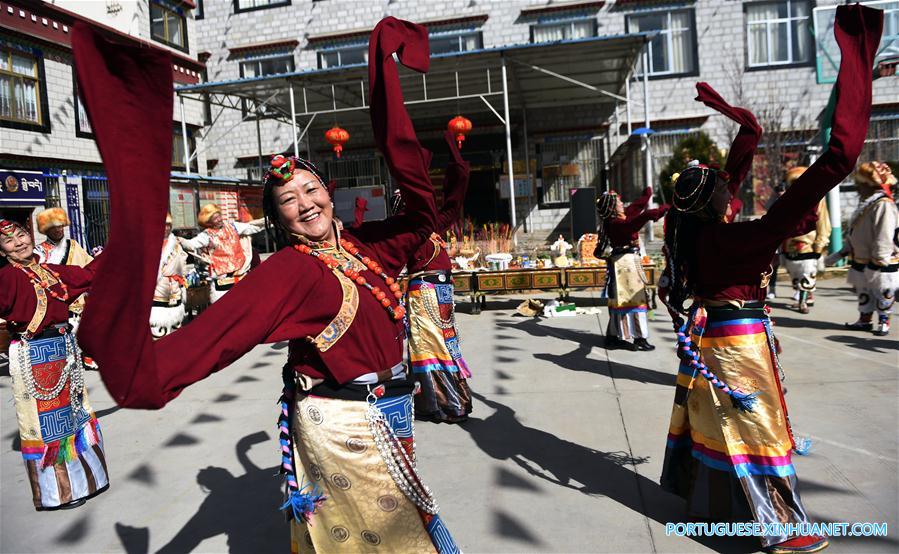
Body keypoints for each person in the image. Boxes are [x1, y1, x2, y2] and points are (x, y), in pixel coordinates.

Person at [72, 16, 459, 553]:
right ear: (278, 220)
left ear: (329, 193)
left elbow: (422, 217)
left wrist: (384, 75)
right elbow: (213, 338)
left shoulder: (366, 246)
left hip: (393, 413)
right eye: (289, 200)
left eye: (310, 189)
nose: (306, 204)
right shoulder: (288, 272)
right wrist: (145, 366)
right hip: (344, 427)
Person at [658, 6, 879, 553]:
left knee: (719, 425)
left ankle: (712, 509)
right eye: (724, 188)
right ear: (715, 202)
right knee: (758, 431)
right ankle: (781, 526)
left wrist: (728, 111)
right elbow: (838, 159)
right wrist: (856, 64)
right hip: (738, 347)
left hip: (714, 339)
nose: (731, 189)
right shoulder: (740, 240)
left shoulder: (696, 233)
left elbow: (746, 143)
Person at [0, 218, 109, 511]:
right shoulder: (7, 278)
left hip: (63, 349)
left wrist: (121, 245)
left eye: (21, 235)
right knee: (49, 425)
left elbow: (89, 275)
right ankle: (59, 493)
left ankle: (88, 480)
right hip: (34, 353)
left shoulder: (50, 270)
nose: (19, 243)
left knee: (76, 414)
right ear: (2, 250)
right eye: (9, 241)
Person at [401, 148, 473, 423]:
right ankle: (440, 403)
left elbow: (453, 205)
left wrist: (457, 164)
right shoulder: (406, 232)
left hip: (441, 291)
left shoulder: (433, 226)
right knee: (431, 347)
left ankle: (450, 401)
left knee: (447, 345)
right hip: (423, 294)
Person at [595, 187, 669, 351]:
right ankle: (637, 338)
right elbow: (638, 219)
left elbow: (636, 207)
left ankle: (615, 337)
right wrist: (662, 209)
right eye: (619, 202)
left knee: (625, 302)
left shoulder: (618, 218)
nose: (622, 203)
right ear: (613, 207)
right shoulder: (616, 224)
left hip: (626, 264)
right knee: (632, 301)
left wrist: (647, 195)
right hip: (624, 266)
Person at [830, 161, 898, 336]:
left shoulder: (883, 204)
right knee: (864, 291)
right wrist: (843, 252)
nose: (857, 188)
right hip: (862, 257)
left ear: (869, 185)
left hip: (880, 260)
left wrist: (879, 260)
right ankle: (865, 320)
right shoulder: (868, 203)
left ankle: (884, 321)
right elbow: (856, 232)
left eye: (859, 184)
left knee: (883, 291)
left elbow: (885, 234)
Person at [178, 204, 264, 303]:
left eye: (219, 216)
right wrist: (180, 240)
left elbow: (252, 227)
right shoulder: (206, 235)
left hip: (240, 277)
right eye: (215, 218)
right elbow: (191, 244)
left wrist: (268, 221)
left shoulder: (233, 226)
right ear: (208, 222)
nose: (219, 219)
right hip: (222, 282)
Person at [781, 167, 831, 314]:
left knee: (807, 273)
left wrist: (820, 244)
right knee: (795, 275)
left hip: (808, 244)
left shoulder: (817, 199)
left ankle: (802, 301)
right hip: (789, 244)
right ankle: (804, 297)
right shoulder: (787, 200)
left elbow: (823, 223)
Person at [35, 207, 93, 320]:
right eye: (53, 227)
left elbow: (89, 266)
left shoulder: (74, 244)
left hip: (81, 301)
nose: (58, 230)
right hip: (57, 302)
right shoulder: (39, 251)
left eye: (60, 226)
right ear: (45, 230)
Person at [150, 213, 188, 338]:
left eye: (168, 225)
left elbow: (182, 265)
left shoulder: (176, 244)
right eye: (164, 225)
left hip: (175, 287)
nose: (166, 228)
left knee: (176, 326)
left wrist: (183, 280)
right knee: (157, 327)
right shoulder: (150, 244)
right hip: (158, 287)